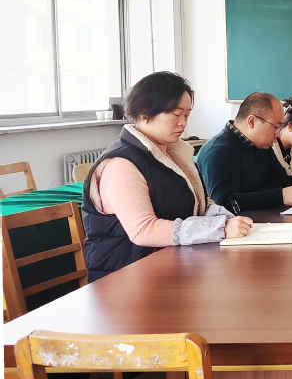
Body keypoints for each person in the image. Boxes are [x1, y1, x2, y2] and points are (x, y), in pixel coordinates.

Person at [81, 72, 252, 281]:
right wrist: (220, 228)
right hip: (126, 278)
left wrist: (229, 219)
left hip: (168, 266)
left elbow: (197, 203)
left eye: (187, 115)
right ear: (145, 112)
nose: (183, 123)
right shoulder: (121, 164)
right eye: (176, 114)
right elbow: (144, 230)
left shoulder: (172, 153)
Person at [198, 92, 292, 212]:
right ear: (252, 121)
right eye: (275, 127)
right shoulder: (219, 151)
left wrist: (253, 195)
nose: (278, 134)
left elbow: (282, 181)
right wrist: (279, 196)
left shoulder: (261, 145)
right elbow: (225, 203)